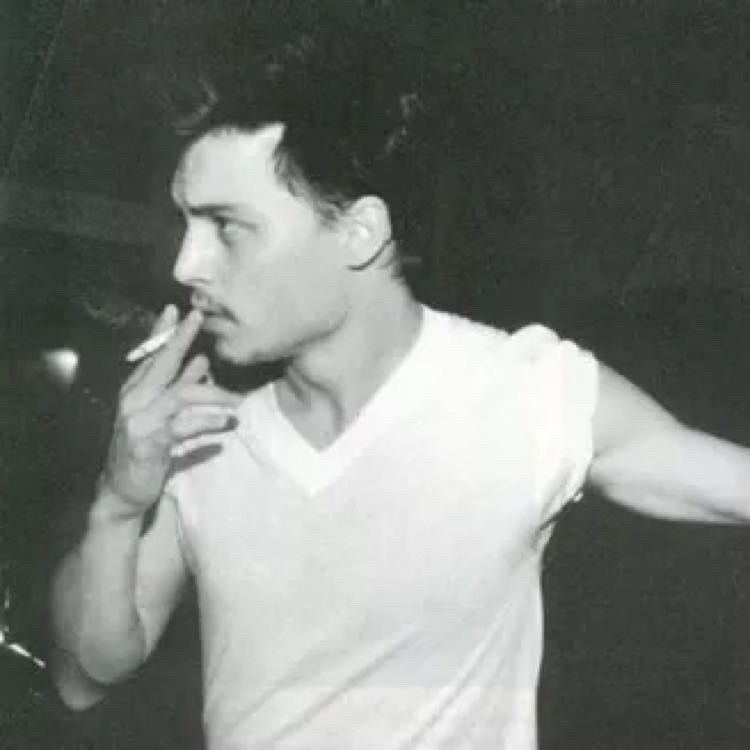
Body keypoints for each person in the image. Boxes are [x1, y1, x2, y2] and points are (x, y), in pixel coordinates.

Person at [50, 33, 750, 749]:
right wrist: (118, 502)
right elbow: (88, 674)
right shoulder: (201, 432)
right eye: (187, 223)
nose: (186, 264)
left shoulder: (524, 390)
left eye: (227, 227)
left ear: (359, 233)